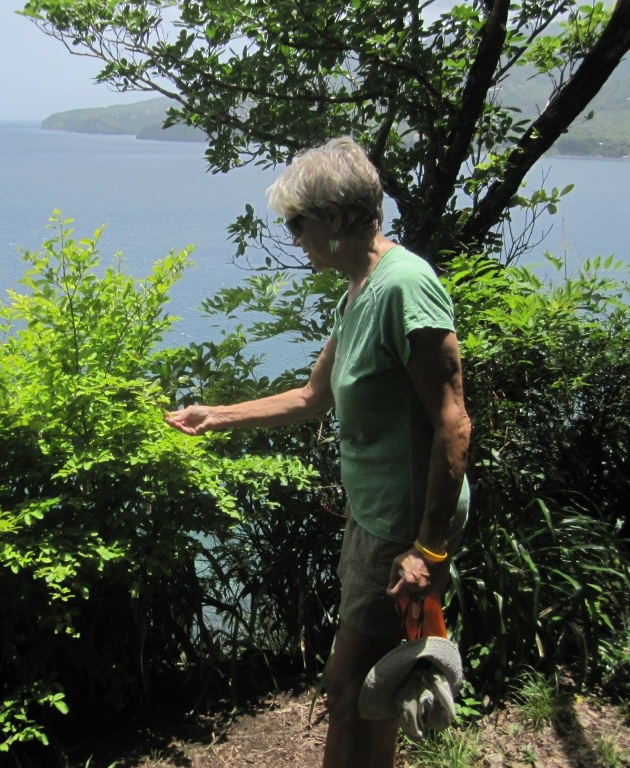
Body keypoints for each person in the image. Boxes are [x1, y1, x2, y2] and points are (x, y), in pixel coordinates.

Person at [164, 136, 471, 768]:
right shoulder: (358, 289)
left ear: (332, 217)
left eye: (296, 224)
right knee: (379, 684)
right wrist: (215, 415)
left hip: (404, 527)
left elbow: (454, 423)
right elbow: (314, 395)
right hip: (376, 515)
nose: (294, 238)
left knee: (348, 686)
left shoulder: (404, 286)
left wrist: (428, 548)